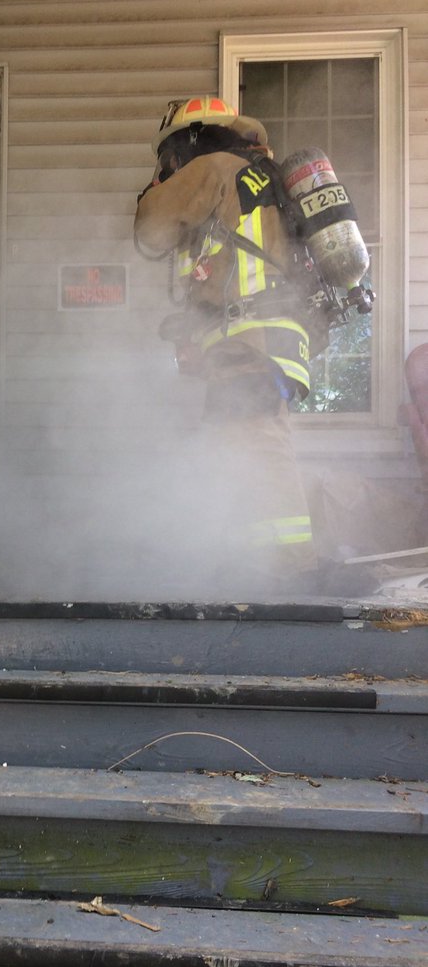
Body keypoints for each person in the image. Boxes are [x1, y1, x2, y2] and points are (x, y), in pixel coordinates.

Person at [134, 95, 319, 594]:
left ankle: (294, 570)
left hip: (251, 340)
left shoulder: (216, 166)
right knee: (232, 447)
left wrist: (156, 188)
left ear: (191, 139)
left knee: (256, 444)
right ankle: (248, 564)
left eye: (170, 155)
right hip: (266, 340)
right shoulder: (256, 178)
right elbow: (224, 270)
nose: (170, 165)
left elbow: (151, 228)